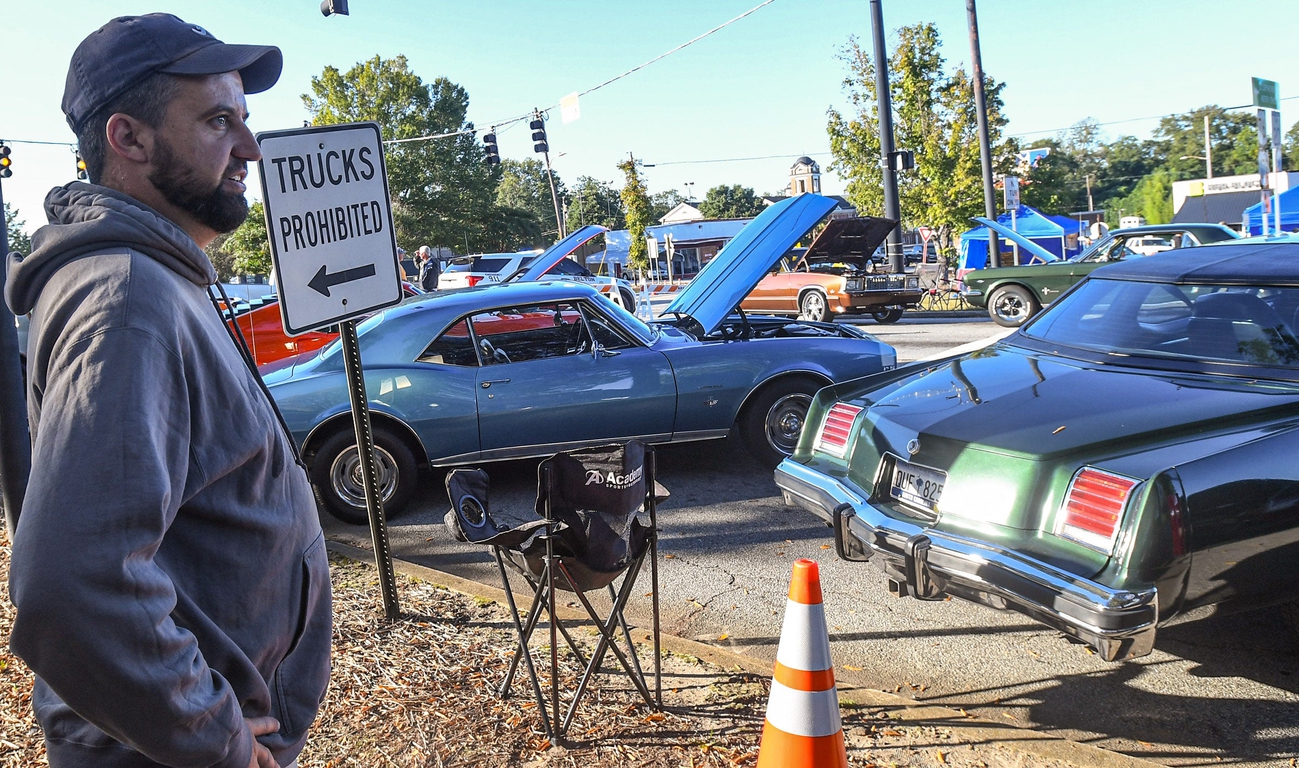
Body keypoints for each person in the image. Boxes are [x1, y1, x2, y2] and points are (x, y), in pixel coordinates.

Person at [4, 14, 330, 768]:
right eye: (220, 121)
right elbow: (71, 581)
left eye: (246, 120)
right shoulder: (125, 299)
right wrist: (211, 736)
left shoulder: (153, 279)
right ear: (130, 139)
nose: (250, 148)